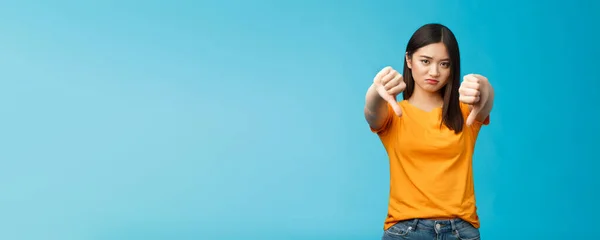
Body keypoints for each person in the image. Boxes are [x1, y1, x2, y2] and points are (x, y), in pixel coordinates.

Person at [364, 23, 494, 240]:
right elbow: (370, 112)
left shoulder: (465, 112)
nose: (434, 72)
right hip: (405, 231)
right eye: (425, 61)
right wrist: (375, 91)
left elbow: (486, 100)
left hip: (460, 231)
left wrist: (484, 87)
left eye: (444, 64)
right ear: (409, 60)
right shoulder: (393, 114)